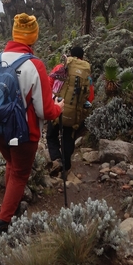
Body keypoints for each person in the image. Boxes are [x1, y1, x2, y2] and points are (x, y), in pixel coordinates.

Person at [0, 13, 64, 237]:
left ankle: (9, 205)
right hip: (23, 131)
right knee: (20, 173)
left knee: (11, 163)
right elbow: (45, 111)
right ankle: (2, 225)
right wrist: (60, 107)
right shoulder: (34, 65)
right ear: (33, 37)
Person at [46, 46, 94, 175]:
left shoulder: (60, 68)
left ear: (70, 55)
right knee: (68, 138)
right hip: (74, 114)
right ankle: (66, 166)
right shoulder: (86, 74)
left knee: (51, 136)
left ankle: (56, 159)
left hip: (57, 110)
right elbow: (90, 97)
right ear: (82, 57)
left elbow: (48, 86)